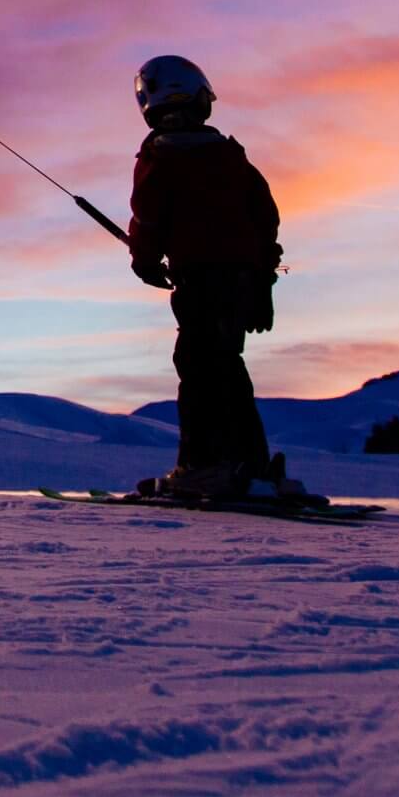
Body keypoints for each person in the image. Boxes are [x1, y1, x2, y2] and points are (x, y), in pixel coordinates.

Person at [122, 55, 302, 502]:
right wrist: (261, 280)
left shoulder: (158, 156)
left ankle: (205, 468)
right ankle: (249, 466)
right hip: (241, 281)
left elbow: (147, 219)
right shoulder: (230, 157)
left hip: (203, 281)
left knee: (200, 369)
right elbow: (265, 220)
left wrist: (144, 262)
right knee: (226, 368)